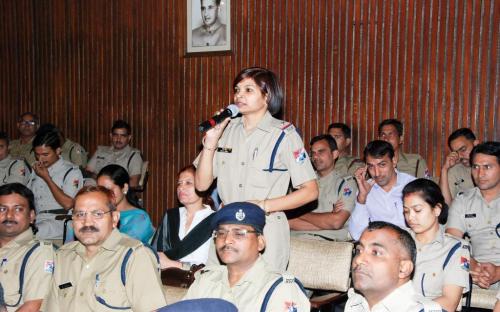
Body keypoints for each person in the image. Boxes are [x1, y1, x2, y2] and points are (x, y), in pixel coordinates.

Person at [194, 67, 318, 271]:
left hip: (265, 229)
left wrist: (264, 205)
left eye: (248, 90)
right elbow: (201, 184)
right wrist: (211, 142)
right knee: (217, 294)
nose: (239, 95)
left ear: (267, 95)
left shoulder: (284, 135)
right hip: (227, 227)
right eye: (237, 89)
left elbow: (311, 191)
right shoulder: (226, 130)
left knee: (259, 298)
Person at [45, 186, 167, 311]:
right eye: (80, 214)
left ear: (114, 218)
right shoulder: (63, 256)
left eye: (97, 214)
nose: (87, 223)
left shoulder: (135, 256)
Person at [183, 202, 310, 311]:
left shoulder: (280, 288)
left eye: (239, 234)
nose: (227, 240)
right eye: (221, 233)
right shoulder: (205, 281)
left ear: (260, 242)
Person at [403, 179, 470, 312]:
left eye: (417, 210)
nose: (410, 217)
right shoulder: (397, 240)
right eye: (406, 211)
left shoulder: (455, 248)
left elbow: (450, 302)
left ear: (437, 210)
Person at [345, 221, 444, 311]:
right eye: (358, 251)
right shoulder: (355, 304)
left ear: (403, 268)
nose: (358, 260)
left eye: (375, 252)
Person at [446, 141, 500, 290]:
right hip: (475, 273)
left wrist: (498, 272)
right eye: (475, 167)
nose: (480, 174)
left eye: (487, 167)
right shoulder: (463, 201)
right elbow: (452, 244)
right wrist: (472, 267)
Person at [289, 134, 357, 241]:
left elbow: (336, 222)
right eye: (313, 153)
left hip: (327, 244)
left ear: (334, 154)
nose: (315, 157)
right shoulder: (302, 182)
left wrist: (300, 213)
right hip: (296, 241)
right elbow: (290, 222)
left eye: (321, 152)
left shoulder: (345, 182)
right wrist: (327, 220)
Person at [0, 183, 55, 312]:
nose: (9, 215)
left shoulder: (40, 252)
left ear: (31, 216)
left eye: (18, 209)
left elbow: (33, 307)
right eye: (2, 209)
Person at [349, 140, 415, 240]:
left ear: (394, 161)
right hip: (379, 248)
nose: (377, 173)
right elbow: (357, 234)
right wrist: (362, 198)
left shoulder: (413, 186)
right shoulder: (365, 190)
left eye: (382, 165)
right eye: (371, 166)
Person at [153, 165, 215, 269]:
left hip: (201, 281)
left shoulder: (215, 220)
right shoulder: (171, 216)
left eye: (188, 183)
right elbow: (156, 253)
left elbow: (215, 266)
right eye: (179, 184)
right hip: (167, 278)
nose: (181, 188)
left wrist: (175, 265)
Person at [28, 130, 83, 242]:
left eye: (45, 154)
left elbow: (68, 204)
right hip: (37, 219)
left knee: (27, 233)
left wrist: (47, 178)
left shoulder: (71, 171)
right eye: (37, 154)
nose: (40, 159)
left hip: (59, 221)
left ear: (58, 151)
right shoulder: (36, 169)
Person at [97, 164, 154, 244]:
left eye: (108, 190)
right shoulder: (98, 214)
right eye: (100, 190)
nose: (104, 195)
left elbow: (123, 248)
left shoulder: (139, 218)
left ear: (125, 188)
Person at [86, 119, 143, 187]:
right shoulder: (100, 151)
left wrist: (111, 185)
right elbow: (87, 171)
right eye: (116, 135)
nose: (118, 139)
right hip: (95, 187)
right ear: (111, 136)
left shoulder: (133, 155)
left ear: (129, 137)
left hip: (116, 191)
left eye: (123, 136)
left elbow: (134, 183)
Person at [439, 128, 479, 205]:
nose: (460, 156)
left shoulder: (494, 165)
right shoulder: (455, 170)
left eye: (463, 149)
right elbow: (446, 205)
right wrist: (444, 169)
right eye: (456, 152)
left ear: (476, 144)